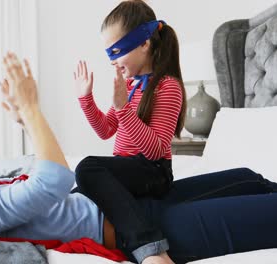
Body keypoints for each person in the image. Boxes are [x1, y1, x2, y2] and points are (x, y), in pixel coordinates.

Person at [0, 52, 277, 264]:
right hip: (133, 229)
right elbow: (53, 180)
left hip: (131, 204)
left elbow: (41, 177)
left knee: (249, 176)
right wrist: (33, 108)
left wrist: (25, 118)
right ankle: (152, 254)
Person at [72, 0, 185, 262]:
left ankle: (151, 248)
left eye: (117, 51)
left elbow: (156, 150)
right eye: (108, 53)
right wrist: (86, 99)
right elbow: (106, 130)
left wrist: (123, 108)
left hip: (153, 171)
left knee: (87, 168)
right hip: (129, 168)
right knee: (79, 193)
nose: (112, 61)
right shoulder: (131, 86)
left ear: (144, 43)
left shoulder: (167, 87)